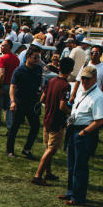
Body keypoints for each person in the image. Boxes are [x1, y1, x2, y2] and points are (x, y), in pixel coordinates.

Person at [60, 65, 103, 206]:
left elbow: (99, 120)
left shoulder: (98, 96)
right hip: (74, 128)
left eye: (88, 79)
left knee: (80, 166)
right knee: (71, 165)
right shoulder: (81, 91)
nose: (84, 81)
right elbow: (76, 111)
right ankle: (70, 191)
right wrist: (69, 123)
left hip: (85, 132)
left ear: (94, 80)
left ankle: (78, 197)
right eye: (83, 79)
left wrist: (84, 132)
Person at [33, 57, 74, 186]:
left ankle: (48, 172)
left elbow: (43, 98)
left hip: (47, 118)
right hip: (57, 121)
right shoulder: (66, 85)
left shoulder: (51, 80)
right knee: (51, 149)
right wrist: (71, 112)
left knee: (47, 147)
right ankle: (38, 175)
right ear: (71, 70)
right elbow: (62, 105)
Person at [7, 46, 43, 159]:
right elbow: (12, 87)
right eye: (35, 57)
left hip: (32, 103)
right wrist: (12, 101)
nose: (37, 60)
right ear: (28, 57)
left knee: (36, 126)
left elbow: (40, 85)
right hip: (19, 102)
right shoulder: (19, 70)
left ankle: (27, 149)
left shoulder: (38, 69)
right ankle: (10, 150)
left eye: (38, 58)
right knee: (15, 127)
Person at [0, 39, 19, 136]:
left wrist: (0, 86)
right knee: (9, 109)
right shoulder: (16, 59)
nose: (1, 47)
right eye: (1, 45)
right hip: (12, 87)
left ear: (9, 47)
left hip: (3, 85)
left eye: (4, 46)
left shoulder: (3, 59)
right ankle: (10, 129)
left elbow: (1, 74)